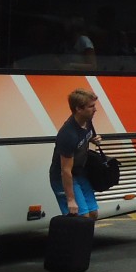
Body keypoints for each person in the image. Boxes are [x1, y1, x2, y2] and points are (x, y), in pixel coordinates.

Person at [49, 88, 103, 219]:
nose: (95, 109)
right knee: (81, 216)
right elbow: (65, 171)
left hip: (79, 173)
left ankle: (84, 239)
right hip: (64, 177)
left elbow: (83, 137)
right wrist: (70, 200)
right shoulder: (68, 134)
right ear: (79, 109)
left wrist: (92, 139)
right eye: (91, 106)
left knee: (93, 213)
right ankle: (73, 239)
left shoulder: (87, 121)